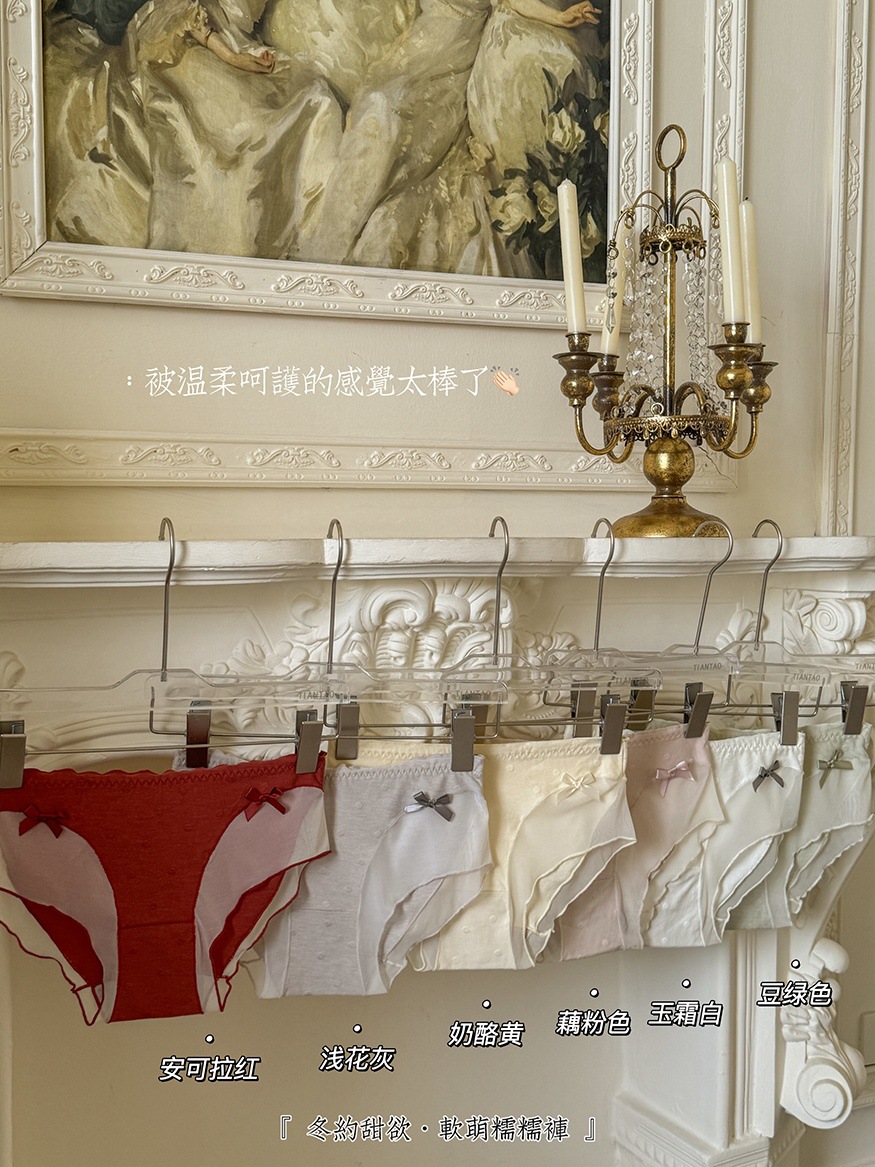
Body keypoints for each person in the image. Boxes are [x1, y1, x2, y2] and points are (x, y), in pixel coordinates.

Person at [302, 0, 601, 266]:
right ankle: (327, 249)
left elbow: (514, 2)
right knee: (376, 110)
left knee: (389, 125)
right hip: (411, 57)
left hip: (449, 71)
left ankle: (335, 254)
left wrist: (560, 18)